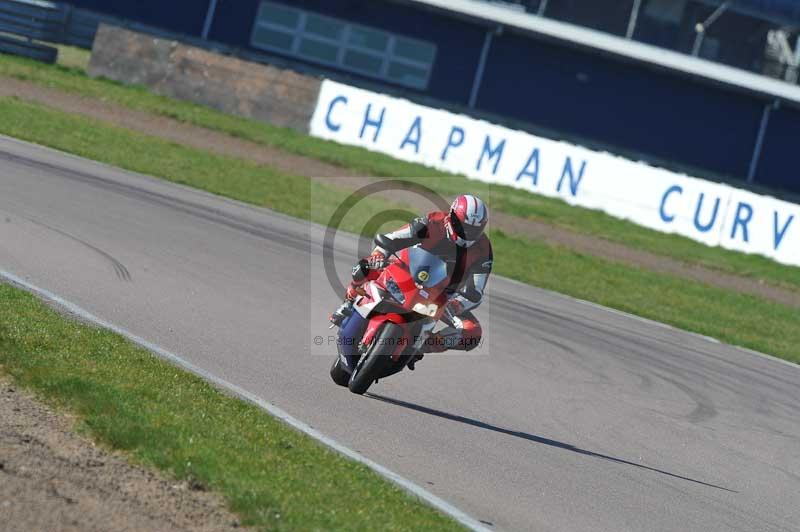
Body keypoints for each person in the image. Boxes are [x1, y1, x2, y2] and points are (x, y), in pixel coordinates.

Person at [331, 194, 493, 357]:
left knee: (472, 334)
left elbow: (475, 291)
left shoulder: (483, 250)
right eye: (462, 226)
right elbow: (392, 238)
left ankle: (425, 345)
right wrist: (379, 255)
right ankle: (349, 300)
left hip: (442, 297)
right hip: (406, 272)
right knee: (365, 266)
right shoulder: (433, 221)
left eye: (473, 230)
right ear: (451, 217)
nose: (466, 233)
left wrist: (457, 304)